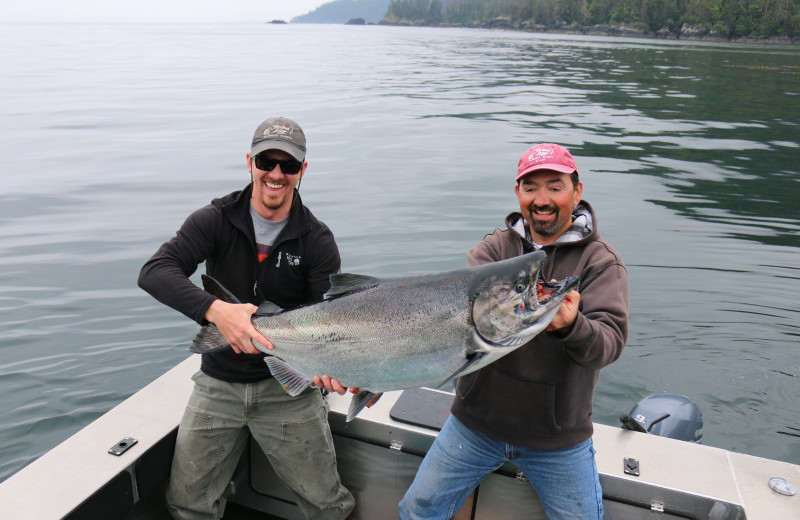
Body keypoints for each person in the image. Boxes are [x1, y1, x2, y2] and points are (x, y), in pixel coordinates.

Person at [138, 117, 355, 520]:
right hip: (218, 382)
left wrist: (327, 367)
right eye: (266, 162)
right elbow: (155, 271)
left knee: (328, 507)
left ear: (302, 171)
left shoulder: (317, 240)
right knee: (186, 504)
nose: (276, 174)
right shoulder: (215, 218)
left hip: (288, 390)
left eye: (288, 166)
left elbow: (329, 319)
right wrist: (217, 312)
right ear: (249, 162)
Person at [399, 143, 629, 519]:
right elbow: (453, 327)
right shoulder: (493, 250)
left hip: (558, 440)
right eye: (531, 188)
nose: (542, 199)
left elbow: (609, 345)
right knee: (416, 510)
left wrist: (573, 326)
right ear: (518, 193)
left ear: (577, 191)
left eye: (555, 187)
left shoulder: (601, 262)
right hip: (475, 426)